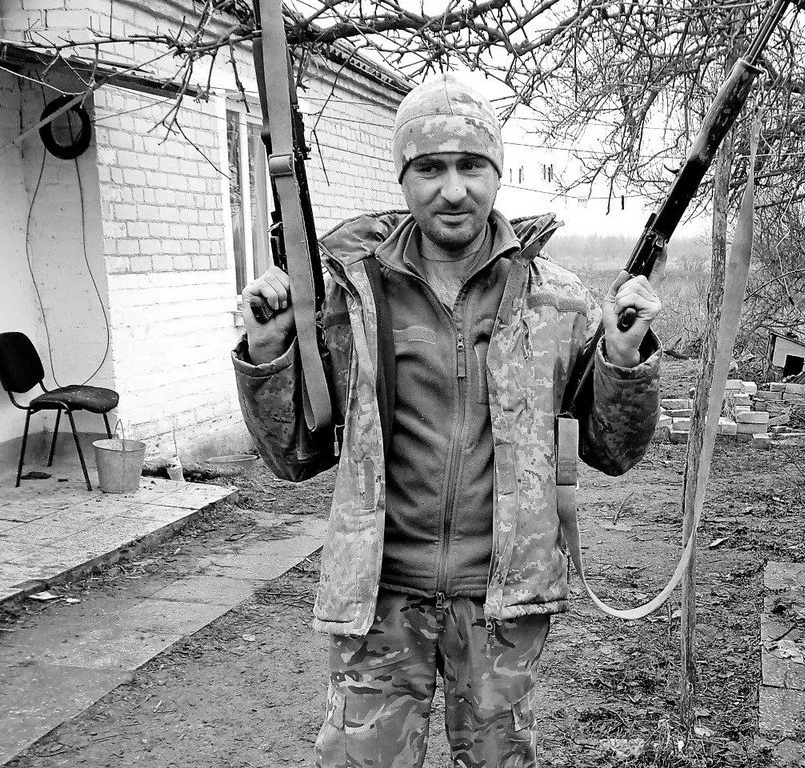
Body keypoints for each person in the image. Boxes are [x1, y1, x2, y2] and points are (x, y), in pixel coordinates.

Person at [232, 72, 662, 768]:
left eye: (471, 166)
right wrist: (267, 352)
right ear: (403, 177)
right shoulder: (348, 297)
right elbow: (292, 456)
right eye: (430, 168)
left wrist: (622, 357)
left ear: (497, 173)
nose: (453, 189)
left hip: (502, 605)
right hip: (379, 600)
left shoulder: (557, 300)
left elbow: (613, 450)